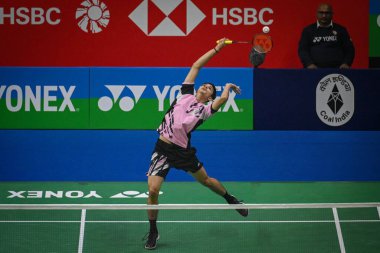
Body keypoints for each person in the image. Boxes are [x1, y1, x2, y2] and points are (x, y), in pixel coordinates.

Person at [144, 38, 249, 250]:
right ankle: (153, 230)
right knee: (153, 190)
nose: (205, 87)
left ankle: (230, 199)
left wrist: (227, 86)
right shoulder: (185, 95)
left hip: (183, 152)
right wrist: (217, 48)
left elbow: (222, 99)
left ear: (211, 96)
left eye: (209, 88)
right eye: (204, 85)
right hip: (162, 149)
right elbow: (196, 66)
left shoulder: (206, 110)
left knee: (207, 182)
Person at [298, 3, 355, 69]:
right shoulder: (308, 30)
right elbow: (302, 50)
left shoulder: (341, 30)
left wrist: (346, 63)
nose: (324, 15)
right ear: (316, 13)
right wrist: (309, 63)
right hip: (313, 70)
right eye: (321, 13)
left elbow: (349, 49)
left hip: (338, 69)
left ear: (332, 14)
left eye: (327, 13)